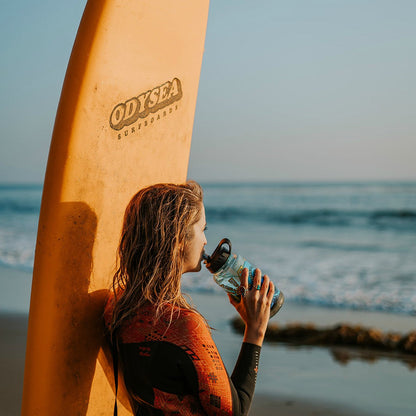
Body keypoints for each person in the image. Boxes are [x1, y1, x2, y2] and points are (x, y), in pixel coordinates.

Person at [104, 181, 274, 416]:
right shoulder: (183, 325)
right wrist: (255, 329)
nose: (205, 241)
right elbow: (233, 412)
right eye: (202, 229)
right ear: (178, 239)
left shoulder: (117, 306)